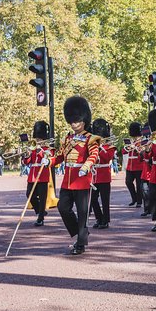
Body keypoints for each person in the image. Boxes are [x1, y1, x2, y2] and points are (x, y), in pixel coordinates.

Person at [46, 96, 100, 255]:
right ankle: (81, 233)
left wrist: (86, 166)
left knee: (83, 213)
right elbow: (60, 157)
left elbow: (94, 155)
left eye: (77, 121)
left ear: (84, 120)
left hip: (82, 179)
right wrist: (48, 161)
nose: (74, 124)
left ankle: (80, 244)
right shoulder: (67, 139)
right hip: (68, 180)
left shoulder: (91, 139)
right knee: (63, 207)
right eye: (72, 121)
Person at [22, 121, 55, 226]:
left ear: (43, 139)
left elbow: (48, 159)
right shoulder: (33, 148)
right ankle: (40, 211)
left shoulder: (49, 149)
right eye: (37, 139)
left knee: (42, 197)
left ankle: (40, 218)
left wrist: (39, 151)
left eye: (39, 139)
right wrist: (26, 155)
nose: (37, 141)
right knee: (29, 194)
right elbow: (27, 162)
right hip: (32, 175)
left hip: (42, 176)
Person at [90, 118, 116, 229]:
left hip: (104, 175)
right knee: (92, 199)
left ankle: (105, 220)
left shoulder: (110, 146)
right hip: (94, 176)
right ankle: (99, 218)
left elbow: (107, 158)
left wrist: (100, 148)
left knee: (105, 200)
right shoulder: (92, 146)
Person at [122, 122, 144, 208]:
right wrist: (128, 147)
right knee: (128, 182)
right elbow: (124, 152)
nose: (135, 137)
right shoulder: (131, 142)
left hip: (139, 166)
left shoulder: (142, 142)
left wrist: (136, 149)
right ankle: (134, 198)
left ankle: (139, 201)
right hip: (130, 166)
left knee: (139, 185)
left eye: (136, 136)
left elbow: (142, 154)